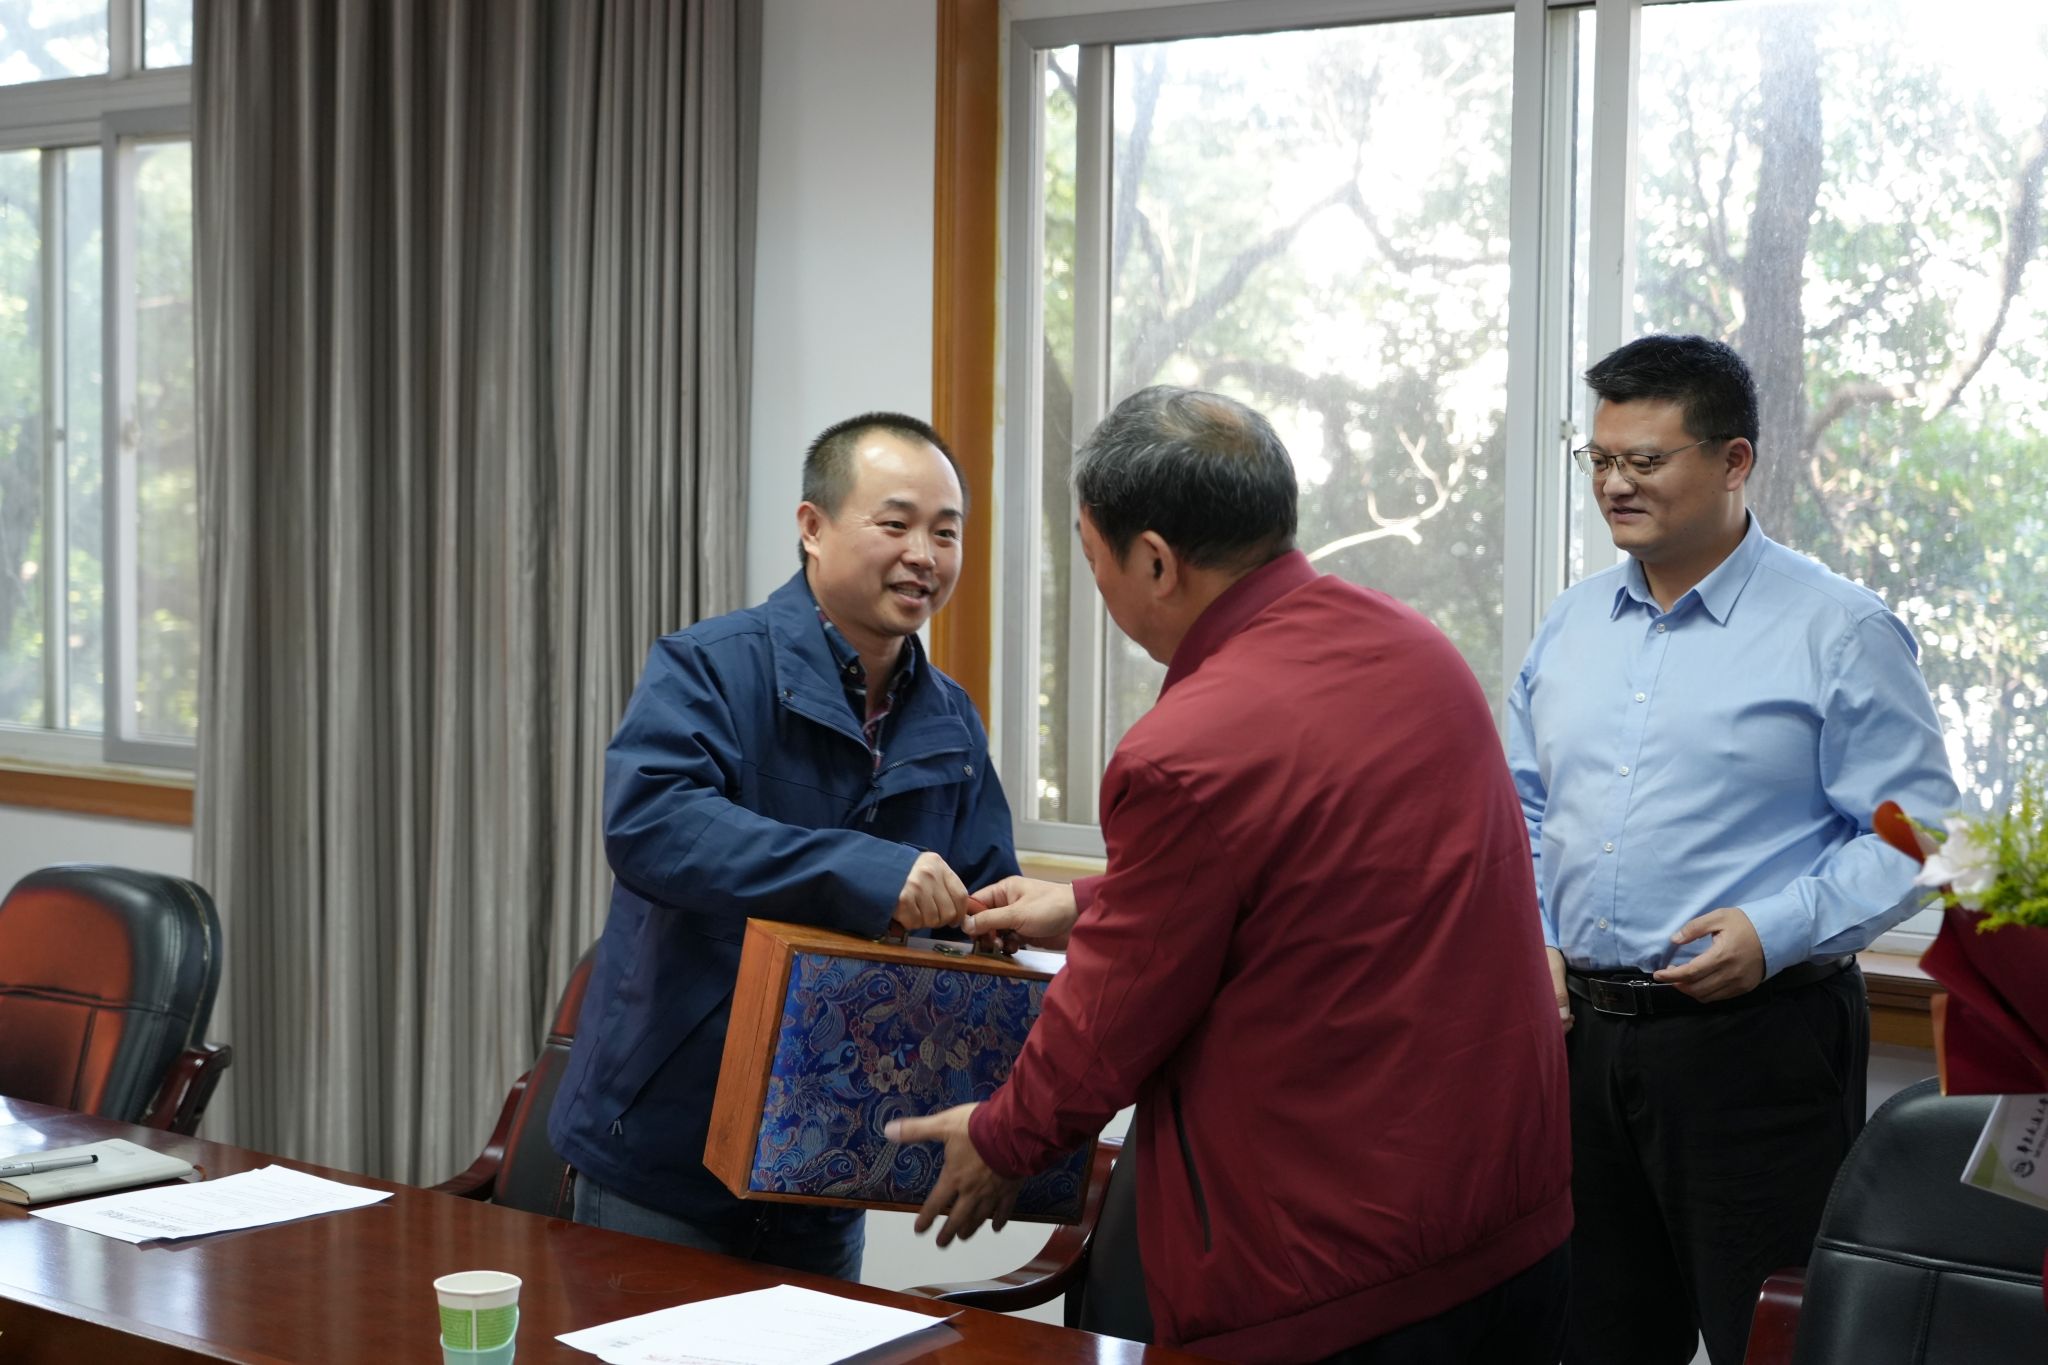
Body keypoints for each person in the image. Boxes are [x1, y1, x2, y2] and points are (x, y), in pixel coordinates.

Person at [887, 386, 1572, 1364]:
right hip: (1508, 1232)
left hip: (1339, 1269)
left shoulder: (1187, 748)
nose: (1096, 582)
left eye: (1090, 554)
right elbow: (1330, 877)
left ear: (1154, 562)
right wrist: (1089, 902)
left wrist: (1001, 1141)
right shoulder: (1415, 650)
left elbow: (1111, 1018)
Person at [1506, 335, 1959, 1365]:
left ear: (1733, 460)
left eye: (1644, 460)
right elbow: (1520, 808)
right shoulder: (1571, 625)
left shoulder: (1836, 629)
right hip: (1579, 1042)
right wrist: (1533, 934)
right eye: (1599, 460)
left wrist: (1776, 927)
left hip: (1757, 1042)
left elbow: (1917, 833)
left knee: (1773, 1337)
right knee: (1595, 1339)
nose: (1613, 485)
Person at [548, 412, 1018, 1280]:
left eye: (947, 533)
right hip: (665, 1151)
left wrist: (1012, 917)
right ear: (812, 526)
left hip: (827, 1162)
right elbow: (652, 825)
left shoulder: (952, 718)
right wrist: (870, 872)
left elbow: (981, 906)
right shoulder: (709, 664)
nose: (924, 554)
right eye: (897, 523)